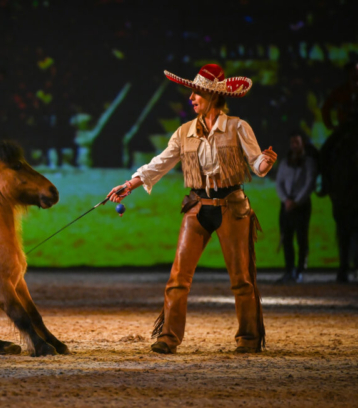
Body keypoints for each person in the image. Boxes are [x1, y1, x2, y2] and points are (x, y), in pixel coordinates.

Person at [107, 64, 277, 354]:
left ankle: (248, 339)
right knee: (178, 277)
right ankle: (168, 338)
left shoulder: (238, 127)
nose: (190, 98)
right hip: (197, 206)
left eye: (196, 92)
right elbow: (160, 163)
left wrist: (265, 162)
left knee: (241, 278)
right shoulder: (184, 132)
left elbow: (257, 165)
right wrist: (130, 184)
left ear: (211, 96)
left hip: (232, 207)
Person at [275, 131, 318, 284]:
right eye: (292, 143)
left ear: (302, 144)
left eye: (297, 143)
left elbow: (309, 184)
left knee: (301, 238)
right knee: (286, 238)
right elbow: (279, 182)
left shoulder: (309, 163)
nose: (294, 146)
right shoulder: (285, 162)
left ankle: (300, 270)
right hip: (286, 206)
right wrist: (285, 200)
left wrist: (296, 201)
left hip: (301, 206)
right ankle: (289, 270)